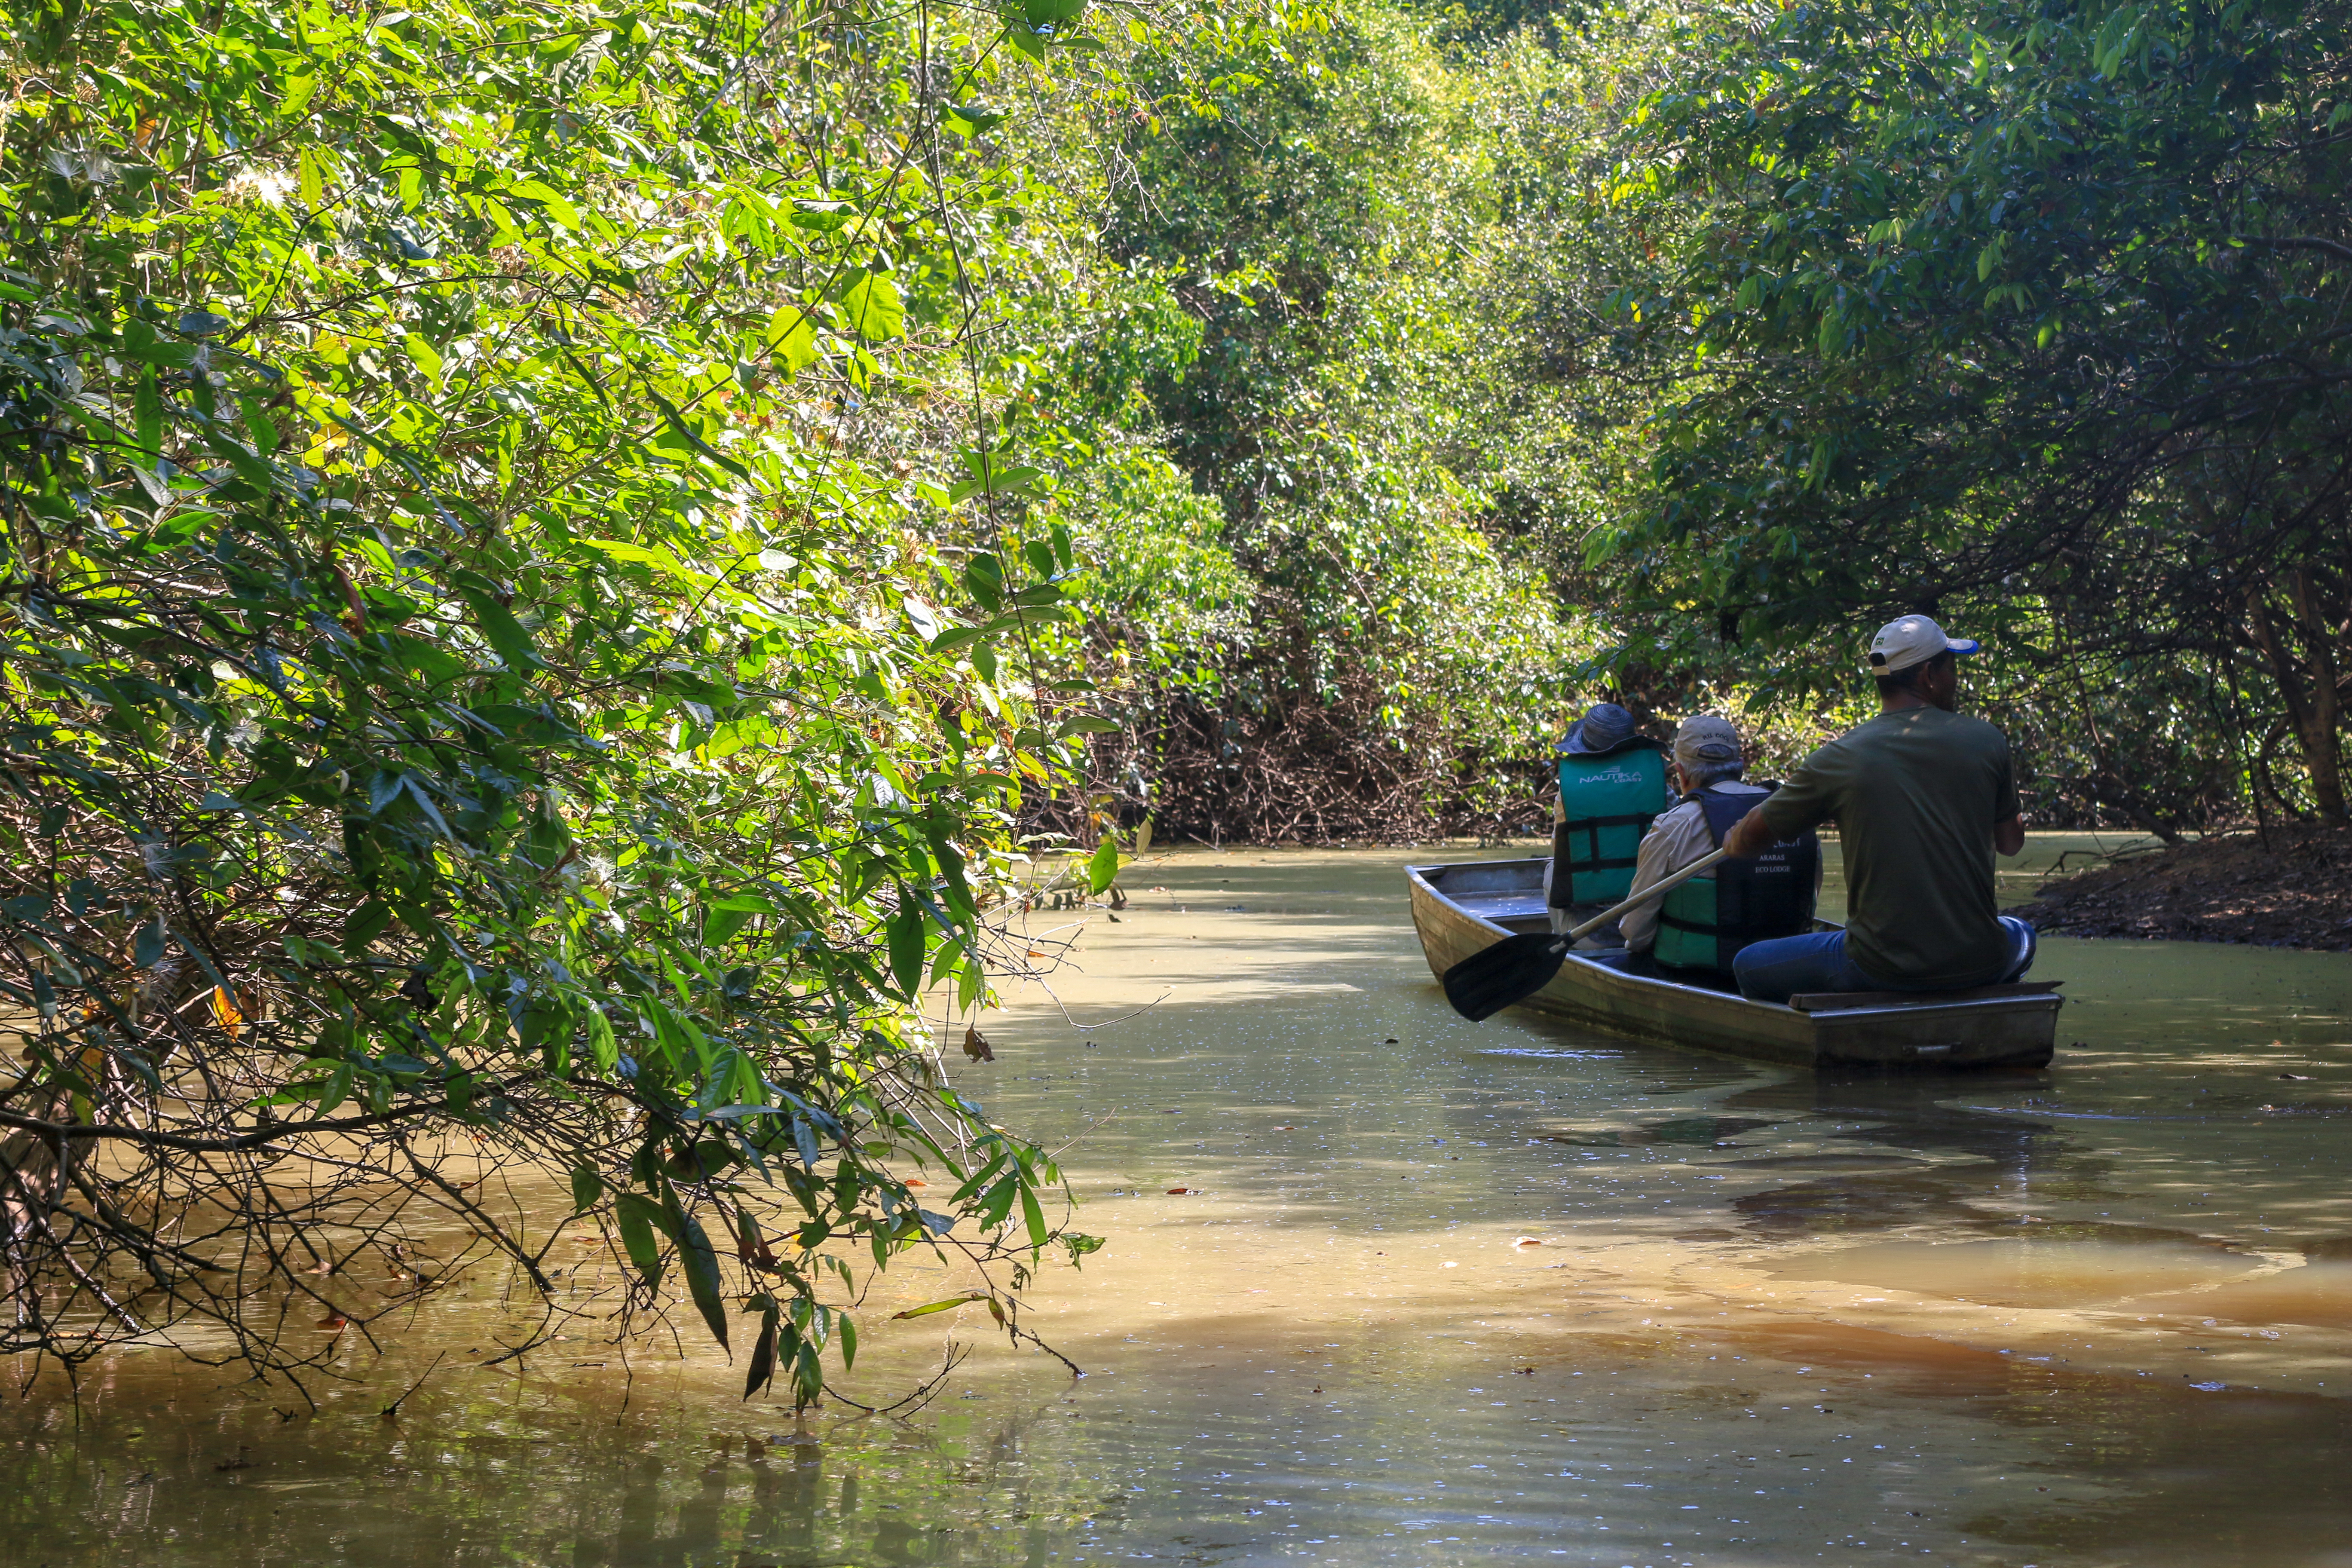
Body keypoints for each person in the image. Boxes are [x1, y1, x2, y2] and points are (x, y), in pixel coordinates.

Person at [1721, 615, 2034, 1004]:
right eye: (1952, 667)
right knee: (2023, 934)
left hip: (1880, 966)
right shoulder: (1988, 740)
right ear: (1928, 675)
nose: (1956, 679)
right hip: (1980, 961)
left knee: (1747, 965)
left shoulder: (1840, 757)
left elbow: (1749, 841)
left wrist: (1733, 839)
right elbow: (2011, 844)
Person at [1619, 715, 1819, 978]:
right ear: (1741, 765)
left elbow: (1636, 932)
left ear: (1680, 772)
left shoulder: (1673, 826)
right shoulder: (1794, 816)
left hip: (1702, 974)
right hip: (1785, 969)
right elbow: (1810, 904)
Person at [1543, 702, 1672, 928]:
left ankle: (1562, 940)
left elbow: (1560, 849)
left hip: (1590, 926)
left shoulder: (1571, 790)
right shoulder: (1657, 783)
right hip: (1648, 918)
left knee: (1552, 869)